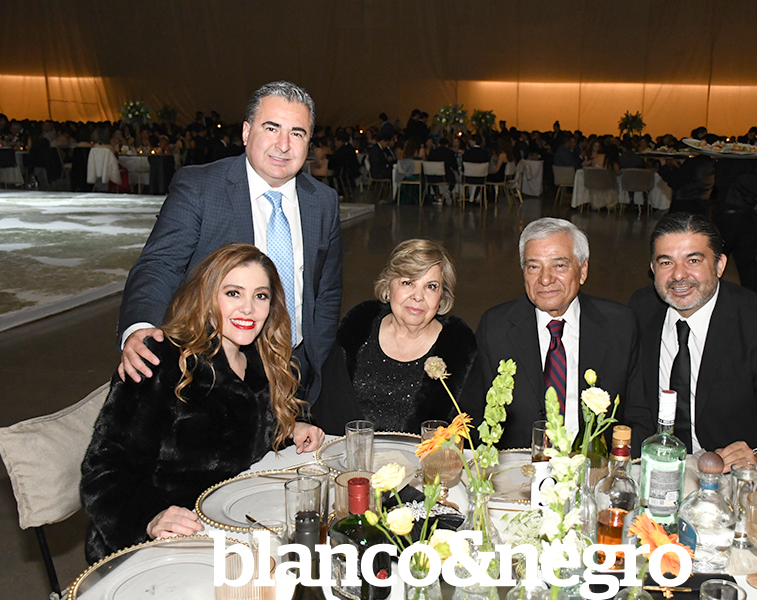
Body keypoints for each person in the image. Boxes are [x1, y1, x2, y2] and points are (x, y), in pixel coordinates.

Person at [81, 244, 325, 563]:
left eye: (260, 296)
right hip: (157, 545)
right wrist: (149, 519)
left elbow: (239, 438)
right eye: (233, 293)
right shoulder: (161, 361)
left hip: (229, 529)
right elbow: (103, 470)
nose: (248, 309)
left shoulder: (259, 361)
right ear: (208, 297)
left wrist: (289, 427)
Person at [116, 81, 343, 406]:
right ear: (247, 132)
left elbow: (327, 291)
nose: (283, 145)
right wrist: (140, 327)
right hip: (213, 370)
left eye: (297, 133)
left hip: (294, 371)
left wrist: (315, 356)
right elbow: (160, 264)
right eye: (272, 128)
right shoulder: (200, 187)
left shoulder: (323, 201)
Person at [626, 213, 757, 482]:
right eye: (666, 262)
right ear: (653, 268)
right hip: (667, 473)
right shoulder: (641, 310)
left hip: (746, 481)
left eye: (693, 260)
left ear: (720, 265)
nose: (678, 275)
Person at [462, 218, 644, 449]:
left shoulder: (620, 326)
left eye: (559, 266)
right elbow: (474, 416)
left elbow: (639, 415)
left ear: (583, 270)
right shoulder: (496, 327)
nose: (545, 279)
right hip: (518, 465)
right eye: (533, 267)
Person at [314, 240, 477, 434]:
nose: (418, 296)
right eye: (408, 283)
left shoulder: (459, 349)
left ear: (442, 296)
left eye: (431, 286)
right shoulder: (356, 329)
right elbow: (327, 408)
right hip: (352, 450)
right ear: (388, 286)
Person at [712, 129, 757, 295]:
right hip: (748, 219)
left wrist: (720, 160)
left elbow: (721, 183)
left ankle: (704, 302)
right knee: (748, 269)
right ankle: (754, 305)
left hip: (727, 218)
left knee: (714, 265)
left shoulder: (742, 161)